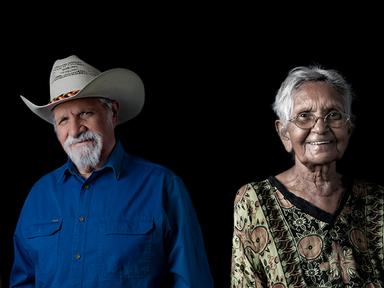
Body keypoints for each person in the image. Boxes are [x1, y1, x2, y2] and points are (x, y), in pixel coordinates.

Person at [10, 55, 214, 287]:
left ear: (113, 113)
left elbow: (192, 282)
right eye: (63, 120)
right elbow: (22, 281)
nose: (75, 130)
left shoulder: (162, 186)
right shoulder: (39, 195)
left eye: (85, 113)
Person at [231, 65, 384, 287]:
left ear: (348, 128)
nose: (320, 127)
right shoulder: (254, 202)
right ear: (284, 132)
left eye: (333, 115)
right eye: (304, 116)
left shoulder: (378, 201)